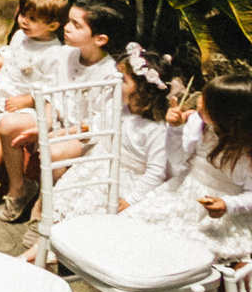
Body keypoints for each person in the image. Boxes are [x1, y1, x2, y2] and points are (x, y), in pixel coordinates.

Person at [0, 0, 128, 223]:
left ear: (100, 39)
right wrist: (42, 125)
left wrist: (49, 134)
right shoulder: (65, 55)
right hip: (57, 121)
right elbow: (52, 100)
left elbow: (96, 127)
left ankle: (45, 208)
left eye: (76, 25)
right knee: (7, 125)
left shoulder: (109, 75)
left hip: (85, 134)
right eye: (69, 21)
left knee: (52, 150)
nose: (66, 28)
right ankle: (19, 189)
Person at [126, 69, 252, 259]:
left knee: (191, 249)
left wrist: (228, 204)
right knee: (139, 221)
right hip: (185, 192)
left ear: (229, 116)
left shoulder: (247, 150)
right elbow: (177, 159)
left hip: (221, 211)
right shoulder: (198, 124)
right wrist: (175, 131)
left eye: (208, 103)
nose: (199, 102)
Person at [38, 41, 184, 230]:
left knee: (90, 219)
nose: (114, 81)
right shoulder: (117, 107)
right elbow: (100, 131)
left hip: (121, 179)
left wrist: (131, 200)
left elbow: (156, 171)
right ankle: (51, 239)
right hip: (94, 167)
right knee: (68, 206)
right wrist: (85, 136)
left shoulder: (155, 130)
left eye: (122, 79)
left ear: (143, 89)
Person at [0, 0, 73, 204]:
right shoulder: (19, 37)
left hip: (22, 104)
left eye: (33, 19)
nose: (24, 21)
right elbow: (12, 57)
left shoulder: (53, 54)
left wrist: (29, 99)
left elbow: (52, 87)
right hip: (0, 93)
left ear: (52, 25)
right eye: (23, 14)